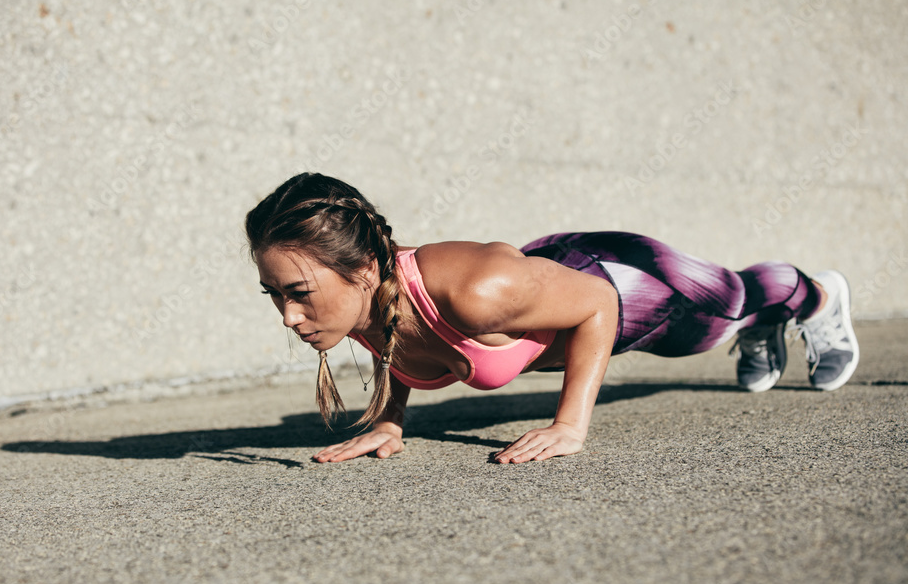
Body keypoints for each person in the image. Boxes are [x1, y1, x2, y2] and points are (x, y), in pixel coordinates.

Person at [246, 173, 860, 464]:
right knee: (728, 319)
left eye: (298, 292)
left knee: (723, 313)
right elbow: (398, 341)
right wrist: (389, 421)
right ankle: (763, 326)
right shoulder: (357, 301)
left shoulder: (476, 290)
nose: (287, 315)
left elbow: (599, 304)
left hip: (618, 280)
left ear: (359, 269)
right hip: (555, 280)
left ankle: (820, 298)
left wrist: (570, 426)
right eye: (274, 295)